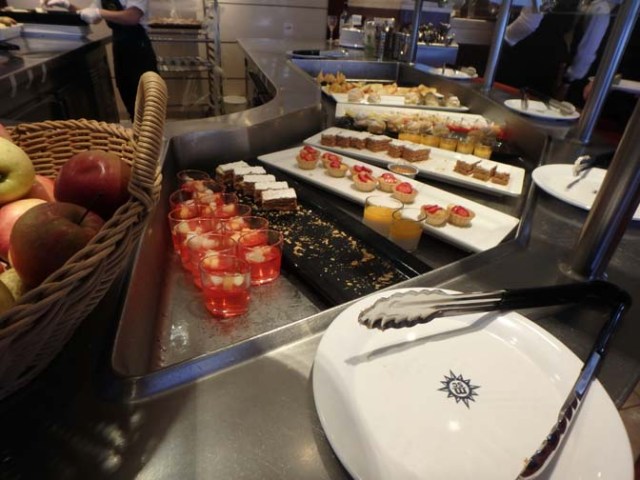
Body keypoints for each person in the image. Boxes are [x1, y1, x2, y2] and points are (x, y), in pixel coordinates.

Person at [46, 0, 158, 120]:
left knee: (144, 99)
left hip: (138, 48)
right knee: (128, 95)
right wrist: (67, 5)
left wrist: (99, 12)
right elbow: (91, 16)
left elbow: (132, 17)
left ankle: (152, 130)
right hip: (120, 46)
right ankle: (137, 128)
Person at [495, 0, 580, 96]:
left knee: (505, 98)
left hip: (525, 52)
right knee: (534, 101)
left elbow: (528, 23)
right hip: (550, 54)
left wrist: (503, 38)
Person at [562, 0, 621, 106]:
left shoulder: (601, 7)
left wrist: (569, 77)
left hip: (583, 79)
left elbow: (588, 50)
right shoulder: (602, 6)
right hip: (587, 75)